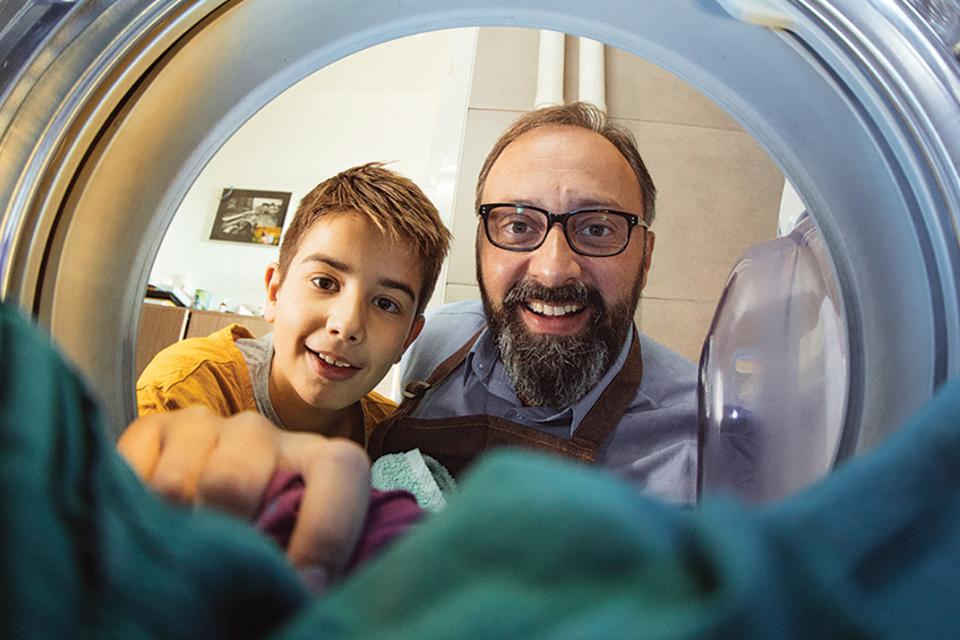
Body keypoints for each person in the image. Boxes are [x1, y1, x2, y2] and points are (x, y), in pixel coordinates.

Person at [5, 299, 960, 638]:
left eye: (596, 226)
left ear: (643, 249)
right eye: (514, 222)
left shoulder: (694, 426)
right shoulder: (416, 379)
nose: (550, 258)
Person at [122, 162, 452, 584]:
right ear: (274, 293)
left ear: (408, 339)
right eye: (325, 282)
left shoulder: (391, 439)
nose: (347, 325)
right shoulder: (190, 384)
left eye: (386, 303)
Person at [369, 102, 698, 504]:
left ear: (645, 257)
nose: (553, 270)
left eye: (596, 228)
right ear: (481, 245)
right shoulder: (433, 339)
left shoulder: (702, 439)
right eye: (519, 226)